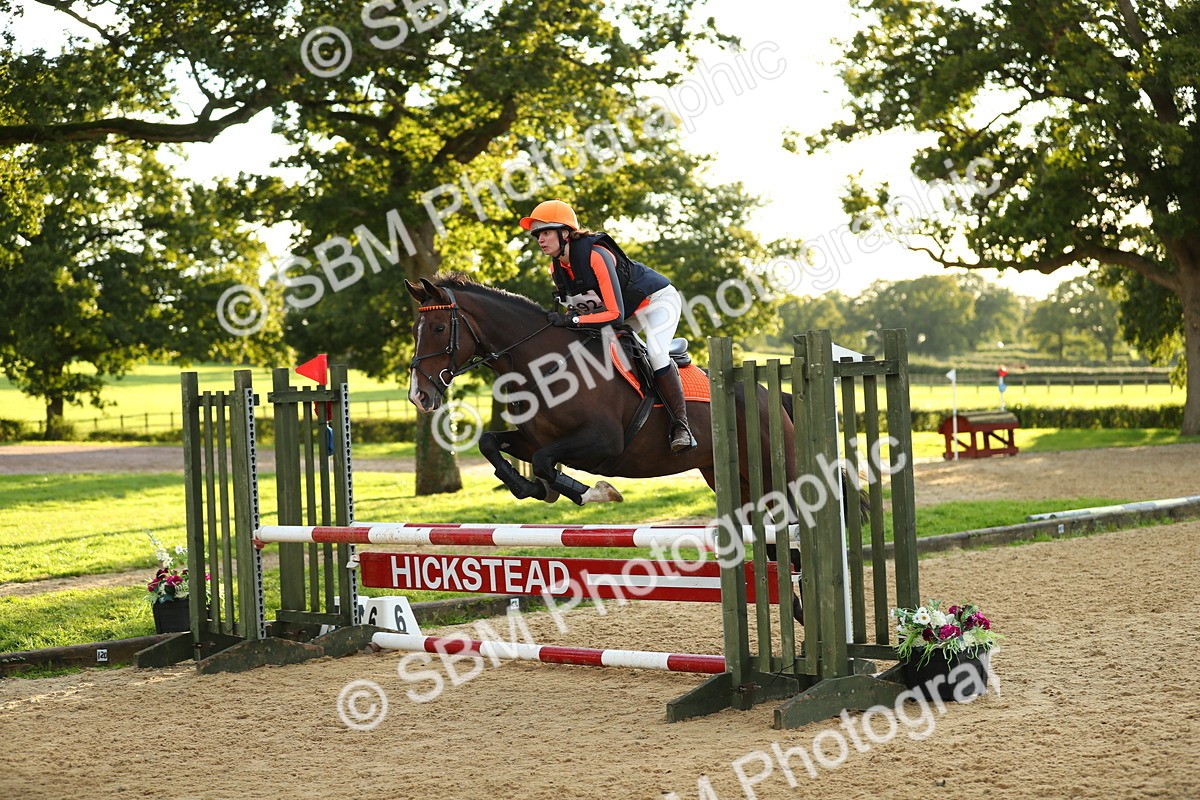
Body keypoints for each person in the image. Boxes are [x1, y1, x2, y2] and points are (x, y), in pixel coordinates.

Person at [519, 199, 696, 453]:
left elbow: (613, 314)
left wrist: (574, 320)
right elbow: (581, 310)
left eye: (546, 232)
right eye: (538, 235)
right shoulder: (556, 269)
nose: (540, 239)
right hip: (627, 311)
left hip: (657, 302)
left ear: (565, 233)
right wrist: (568, 319)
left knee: (657, 353)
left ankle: (682, 426)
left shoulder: (596, 255)